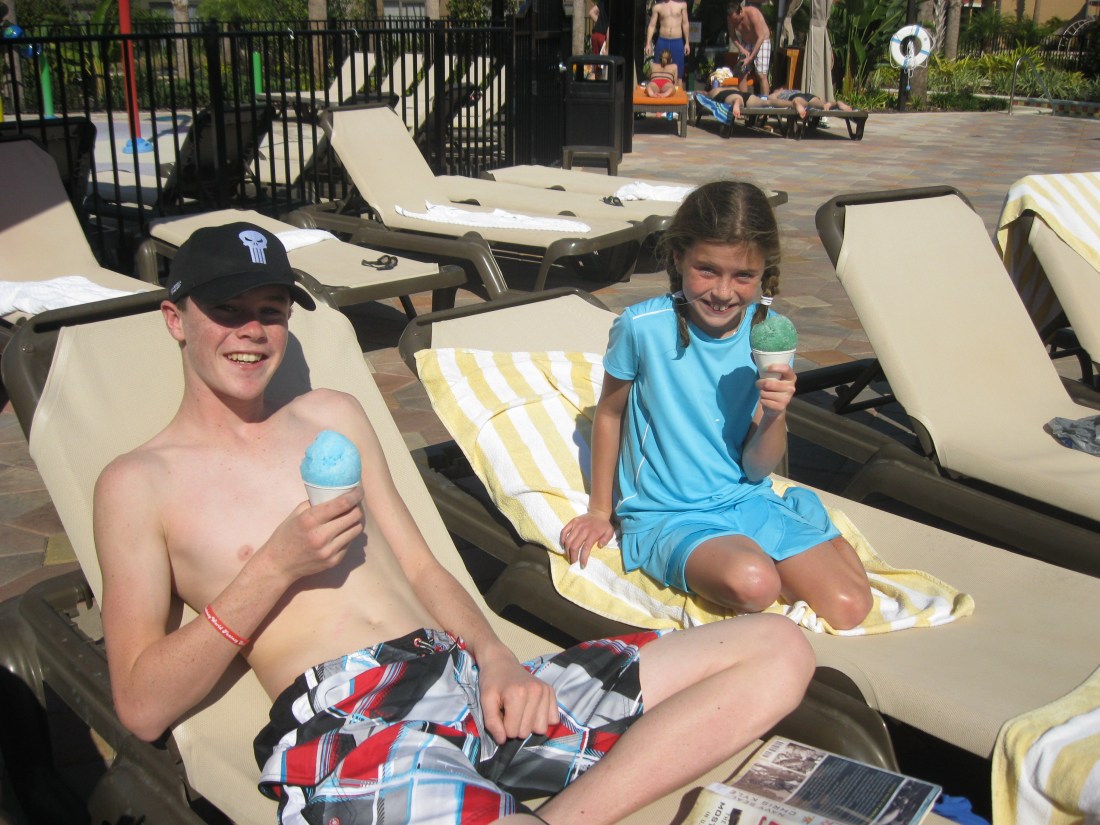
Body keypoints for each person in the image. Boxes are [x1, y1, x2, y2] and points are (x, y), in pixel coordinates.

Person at [94, 222, 816, 825]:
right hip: (358, 722)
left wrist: (498, 659)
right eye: (228, 309)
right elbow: (142, 705)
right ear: (174, 318)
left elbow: (421, 567)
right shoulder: (139, 484)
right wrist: (273, 568)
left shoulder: (333, 416)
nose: (252, 332)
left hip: (468, 676)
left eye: (272, 310)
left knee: (777, 647)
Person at [559, 182, 873, 632]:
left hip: (744, 495)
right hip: (666, 512)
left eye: (743, 276)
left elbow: (758, 467)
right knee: (755, 583)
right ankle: (790, 535)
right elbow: (609, 415)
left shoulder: (769, 334)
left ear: (765, 273)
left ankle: (802, 517)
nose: (723, 292)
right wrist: (599, 510)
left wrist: (776, 413)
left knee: (849, 607)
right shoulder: (642, 328)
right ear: (677, 259)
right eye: (706, 270)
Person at [726, 0, 771, 95]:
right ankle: (744, 99)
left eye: (736, 19)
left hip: (761, 41)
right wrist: (741, 49)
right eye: (732, 20)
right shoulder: (730, 19)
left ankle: (766, 103)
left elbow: (761, 36)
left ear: (740, 11)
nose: (734, 22)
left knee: (761, 74)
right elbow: (732, 35)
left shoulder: (753, 13)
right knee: (742, 72)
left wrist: (750, 58)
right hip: (746, 42)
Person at [645, 0, 690, 82]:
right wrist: (648, 43)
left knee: (678, 75)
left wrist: (687, 42)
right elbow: (652, 25)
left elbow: (685, 23)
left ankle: (678, 94)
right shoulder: (657, 7)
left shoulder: (682, 4)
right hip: (662, 41)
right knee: (658, 71)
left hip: (677, 41)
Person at [766, 87, 854, 119]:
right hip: (808, 95)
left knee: (804, 103)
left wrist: (772, 95)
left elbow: (770, 99)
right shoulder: (795, 89)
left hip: (796, 97)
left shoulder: (781, 93)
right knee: (819, 104)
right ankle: (835, 103)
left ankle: (796, 103)